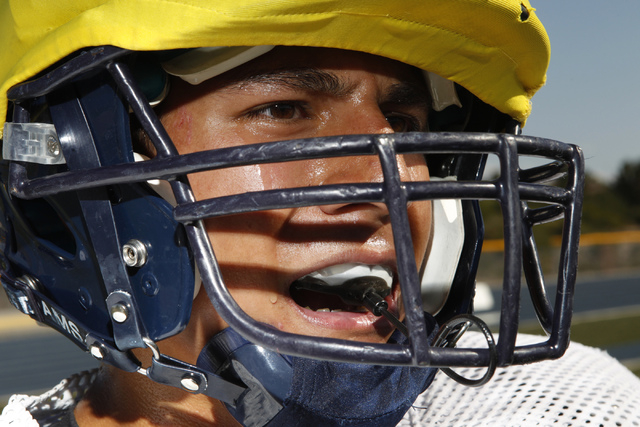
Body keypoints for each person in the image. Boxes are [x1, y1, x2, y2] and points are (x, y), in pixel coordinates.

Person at [0, 1, 638, 426]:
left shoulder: (562, 405)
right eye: (283, 111)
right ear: (76, 174)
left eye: (406, 124)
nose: (386, 180)